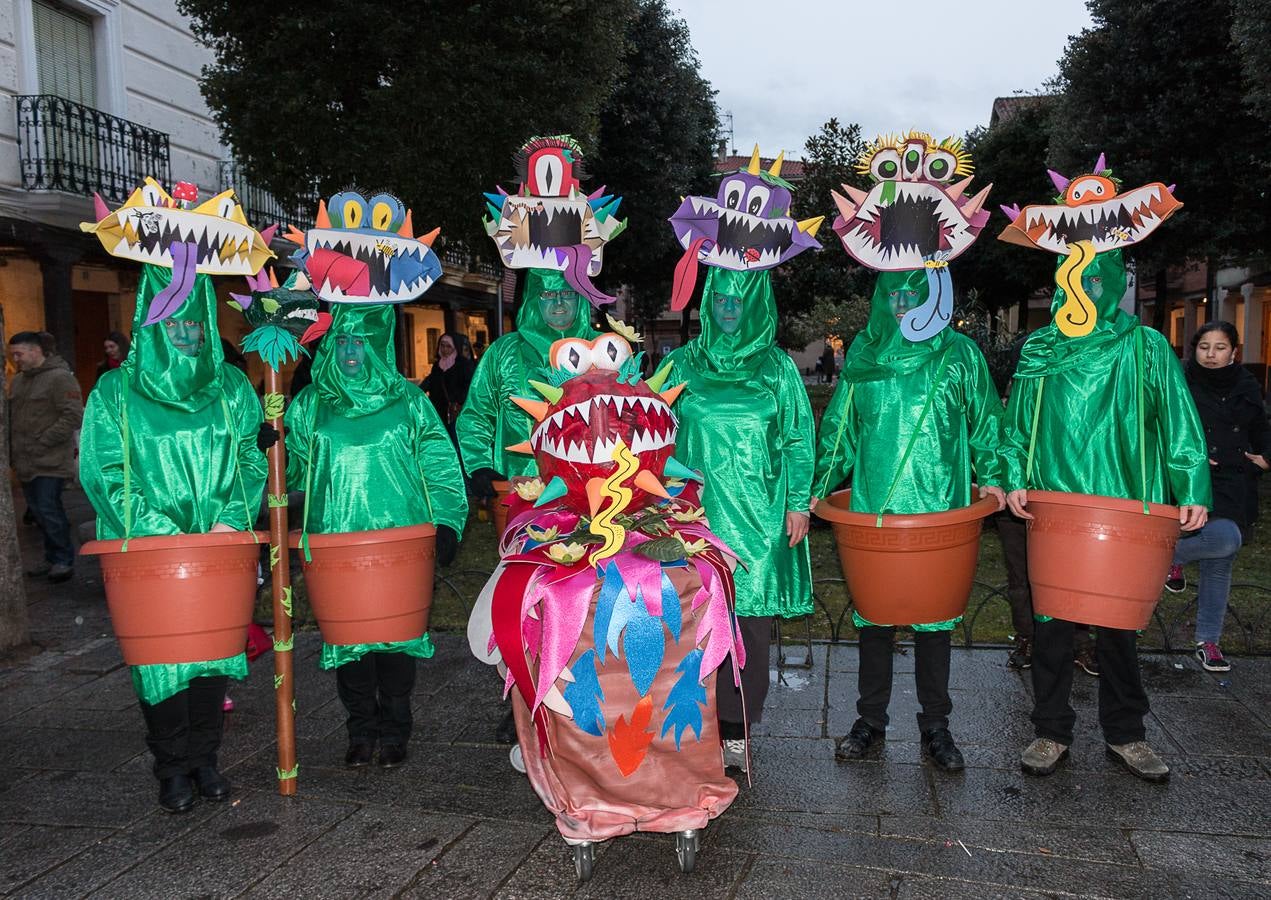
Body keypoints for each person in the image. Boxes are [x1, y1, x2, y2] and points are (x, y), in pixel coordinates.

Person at [1003, 248, 1210, 783]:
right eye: (1075, 278)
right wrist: (1014, 477)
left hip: (1126, 507)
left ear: (1116, 280)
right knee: (1051, 628)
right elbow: (1018, 424)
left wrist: (1191, 486)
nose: (1086, 288)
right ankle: (1050, 730)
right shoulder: (1043, 347)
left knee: (1118, 630)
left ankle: (1127, 734)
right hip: (1055, 508)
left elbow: (1177, 419)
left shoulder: (1144, 347)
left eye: (1098, 278)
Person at [80, 265, 268, 813]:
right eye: (175, 323)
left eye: (197, 323)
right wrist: (165, 532)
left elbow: (251, 458)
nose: (188, 334)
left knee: (212, 652)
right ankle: (171, 768)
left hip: (219, 545)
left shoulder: (230, 385)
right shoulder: (116, 391)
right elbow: (105, 470)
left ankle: (205, 760)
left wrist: (231, 517)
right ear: (151, 324)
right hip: (147, 553)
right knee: (159, 658)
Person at [812, 269, 1006, 772]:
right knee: (874, 619)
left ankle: (936, 725)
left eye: (912, 292)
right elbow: (840, 432)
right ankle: (870, 720)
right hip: (875, 512)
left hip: (938, 508)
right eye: (891, 293)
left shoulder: (959, 354)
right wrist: (815, 488)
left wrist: (995, 474)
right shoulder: (865, 354)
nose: (901, 303)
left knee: (934, 621)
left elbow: (986, 421)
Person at [286, 304, 467, 769]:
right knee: (350, 642)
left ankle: (395, 727)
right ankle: (361, 729)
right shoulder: (310, 404)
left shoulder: (409, 402)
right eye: (343, 340)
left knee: (396, 639)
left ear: (377, 345)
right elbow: (295, 477)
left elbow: (439, 465)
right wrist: (274, 456)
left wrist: (446, 522)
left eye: (361, 340)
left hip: (400, 544)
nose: (351, 350)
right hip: (336, 544)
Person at [661, 266, 816, 772]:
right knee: (691, 628)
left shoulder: (777, 369)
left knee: (748, 634)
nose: (730, 309)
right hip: (695, 522)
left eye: (739, 301)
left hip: (760, 520)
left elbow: (797, 438)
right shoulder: (682, 364)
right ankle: (690, 725)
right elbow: (656, 438)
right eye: (721, 299)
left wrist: (797, 502)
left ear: (757, 305)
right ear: (708, 304)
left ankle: (735, 734)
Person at [1163, 321, 1268, 672]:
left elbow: (1261, 426)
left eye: (1220, 347)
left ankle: (1209, 638)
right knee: (1222, 547)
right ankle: (1200, 638)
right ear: (1193, 349)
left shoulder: (1247, 384)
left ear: (1234, 352)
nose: (1210, 354)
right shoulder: (1178, 381)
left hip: (1234, 478)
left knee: (1224, 547)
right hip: (1192, 480)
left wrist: (1266, 455)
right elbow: (1162, 424)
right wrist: (1187, 457)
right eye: (1204, 346)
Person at [458, 270, 597, 499]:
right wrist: (479, 465)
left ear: (580, 296)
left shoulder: (604, 349)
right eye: (548, 294)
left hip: (591, 489)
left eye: (567, 293)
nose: (559, 302)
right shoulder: (504, 352)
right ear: (534, 297)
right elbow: (477, 414)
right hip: (520, 488)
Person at [8, 331, 83, 583]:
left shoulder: (60, 379)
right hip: (25, 460)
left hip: (50, 461)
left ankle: (63, 559)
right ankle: (51, 557)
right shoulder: (19, 382)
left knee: (49, 510)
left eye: (19, 353)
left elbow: (73, 415)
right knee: (39, 513)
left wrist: (44, 440)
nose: (15, 359)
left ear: (35, 351)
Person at [420, 331, 475, 444]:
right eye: (442, 346)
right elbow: (431, 382)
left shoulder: (463, 365)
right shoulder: (437, 365)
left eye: (448, 346)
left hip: (456, 411)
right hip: (438, 411)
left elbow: (469, 386)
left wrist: (457, 399)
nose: (445, 349)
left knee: (455, 441)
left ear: (455, 348)